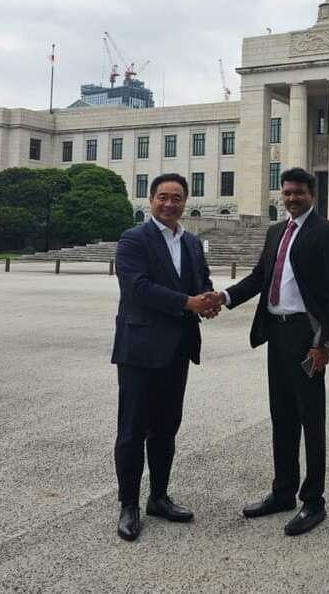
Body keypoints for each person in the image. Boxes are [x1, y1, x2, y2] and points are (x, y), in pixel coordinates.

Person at [203, 167, 329, 536]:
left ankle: (313, 500)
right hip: (277, 332)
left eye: (299, 192)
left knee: (310, 419)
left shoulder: (326, 232)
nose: (292, 198)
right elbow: (259, 277)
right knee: (282, 415)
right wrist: (224, 297)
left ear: (312, 194)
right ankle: (283, 492)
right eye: (287, 192)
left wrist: (324, 343)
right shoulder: (275, 232)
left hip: (305, 335)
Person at [111, 173, 220, 542]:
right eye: (163, 197)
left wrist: (207, 300)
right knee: (132, 430)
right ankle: (129, 504)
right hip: (140, 349)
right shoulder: (133, 239)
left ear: (185, 202)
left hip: (178, 350)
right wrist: (188, 302)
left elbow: (200, 280)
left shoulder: (191, 241)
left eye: (176, 198)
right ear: (151, 200)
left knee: (166, 428)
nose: (169, 204)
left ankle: (158, 497)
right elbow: (137, 288)